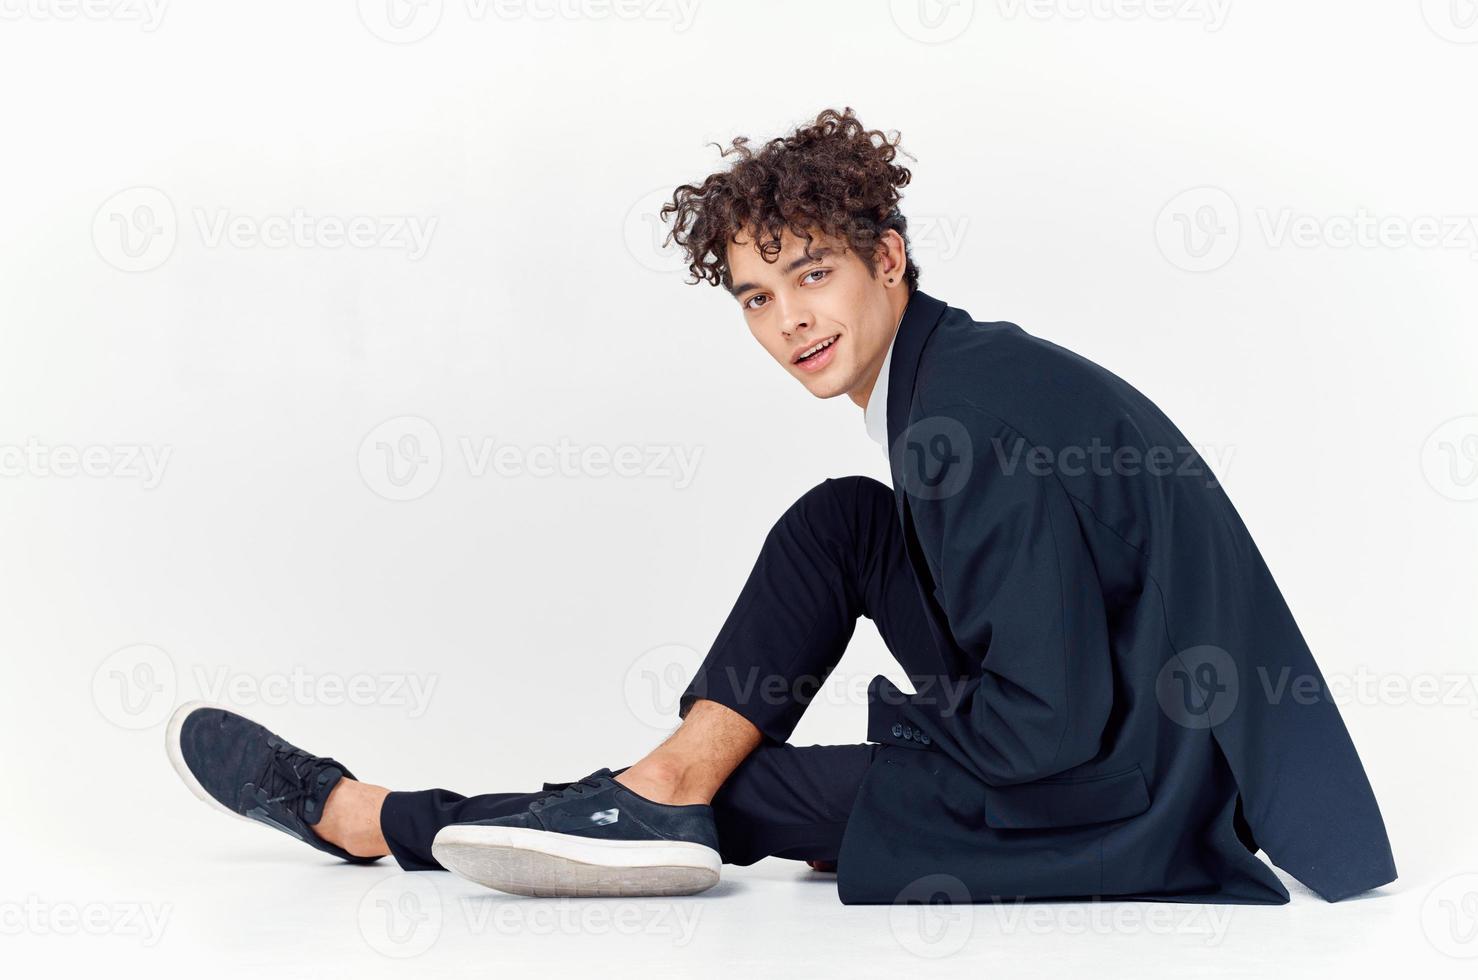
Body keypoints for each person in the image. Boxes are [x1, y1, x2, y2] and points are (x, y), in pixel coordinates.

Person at [166, 107, 1397, 905]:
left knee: (735, 797)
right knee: (841, 523)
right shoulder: (948, 380)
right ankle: (656, 787)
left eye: (811, 274)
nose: (788, 320)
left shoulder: (963, 427)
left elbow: (1053, 725)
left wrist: (898, 746)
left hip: (1117, 787)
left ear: (887, 259)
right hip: (1100, 712)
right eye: (755, 295)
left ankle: (378, 819)